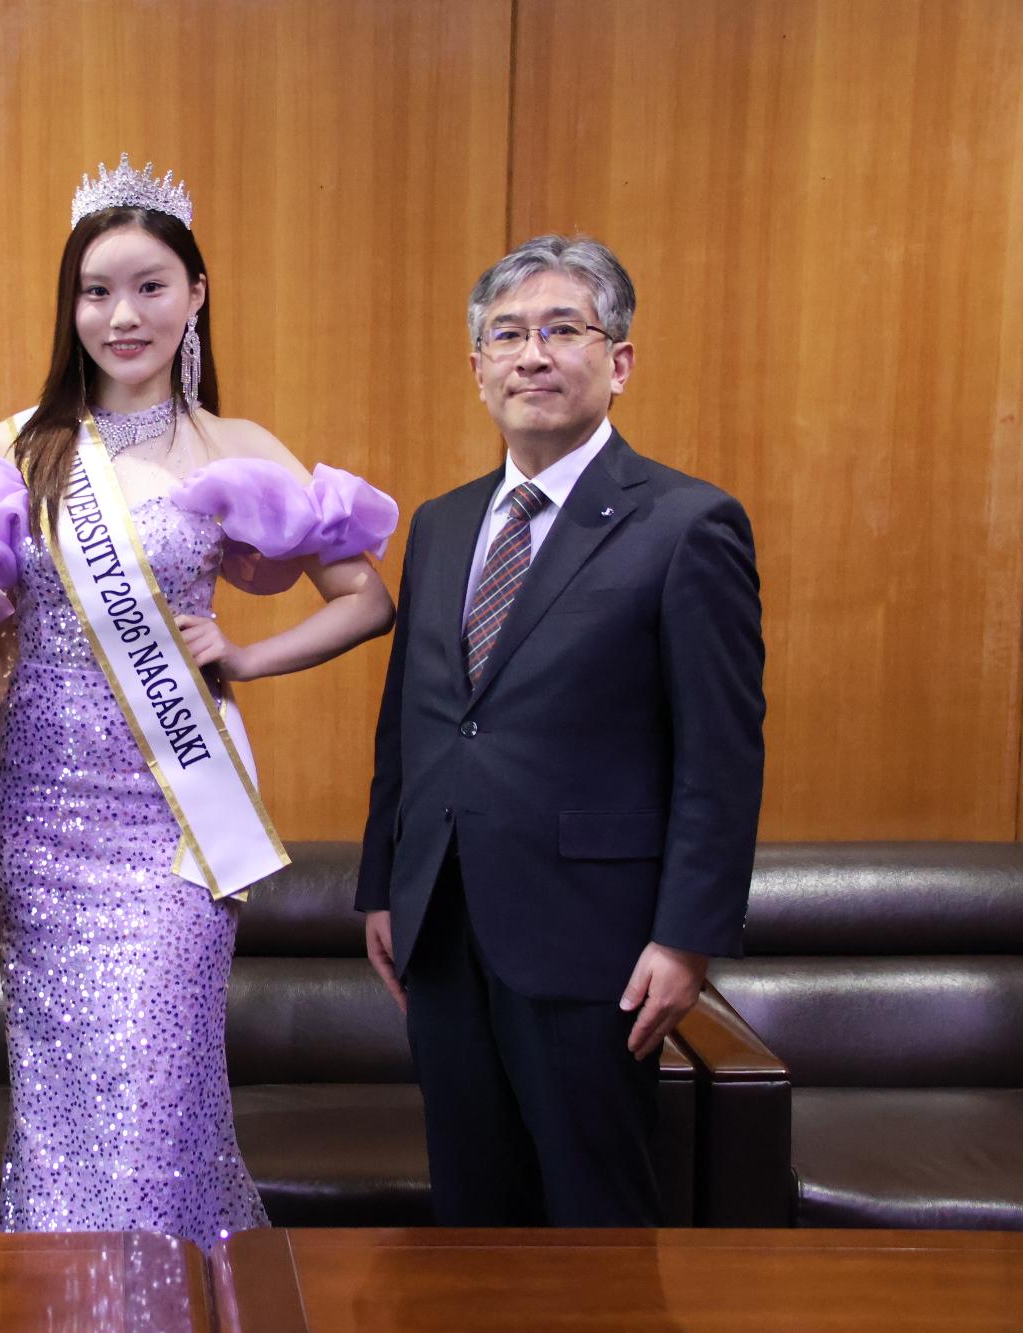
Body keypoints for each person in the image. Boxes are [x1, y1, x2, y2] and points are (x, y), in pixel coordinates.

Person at [0, 156, 399, 1250]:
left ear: (195, 294)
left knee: (156, 1095)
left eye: (148, 287)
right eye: (95, 291)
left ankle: (172, 1299)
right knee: (60, 1112)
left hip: (177, 819)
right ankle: (65, 1302)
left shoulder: (235, 448)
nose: (120, 316)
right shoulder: (18, 446)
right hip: (40, 817)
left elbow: (367, 601)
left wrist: (247, 656)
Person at [357, 235, 765, 1226]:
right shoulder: (443, 522)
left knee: (596, 1218)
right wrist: (383, 886)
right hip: (441, 925)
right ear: (477, 368)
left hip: (593, 942)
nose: (530, 355)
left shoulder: (685, 523)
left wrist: (686, 937)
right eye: (506, 335)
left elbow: (719, 755)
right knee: (471, 1213)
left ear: (617, 361)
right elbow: (410, 722)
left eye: (560, 330)